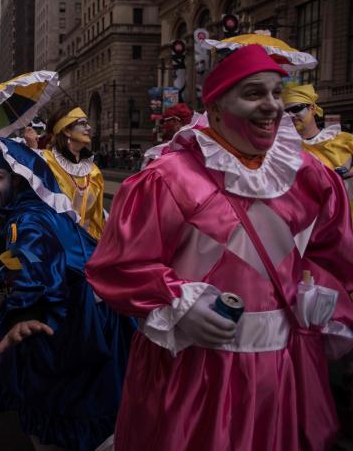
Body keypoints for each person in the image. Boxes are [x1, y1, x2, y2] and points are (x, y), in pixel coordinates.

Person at [86, 44, 353, 450]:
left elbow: (333, 249)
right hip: (194, 371)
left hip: (280, 370)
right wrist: (177, 301)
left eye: (276, 93)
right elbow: (117, 268)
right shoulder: (168, 178)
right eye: (252, 94)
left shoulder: (309, 176)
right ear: (213, 110)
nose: (271, 106)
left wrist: (319, 294)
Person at [0, 144, 134, 451]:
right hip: (66, 311)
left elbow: (37, 260)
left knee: (69, 407)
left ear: (15, 180)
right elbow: (6, 260)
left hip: (75, 317)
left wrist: (23, 312)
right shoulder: (15, 211)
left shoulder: (29, 217)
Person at [41, 106, 106, 240]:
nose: (89, 128)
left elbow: (97, 216)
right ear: (66, 130)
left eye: (87, 123)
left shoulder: (94, 171)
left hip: (89, 246)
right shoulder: (45, 162)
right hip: (56, 244)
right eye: (82, 123)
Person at [283, 83, 353, 203]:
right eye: (285, 112)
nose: (290, 115)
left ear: (312, 109)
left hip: (347, 215)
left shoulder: (345, 140)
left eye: (296, 108)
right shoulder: (283, 150)